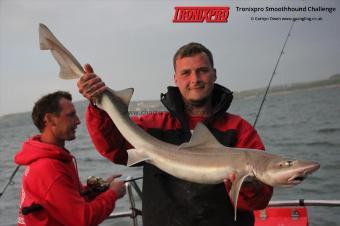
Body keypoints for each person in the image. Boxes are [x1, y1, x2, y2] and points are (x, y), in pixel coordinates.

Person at [77, 42, 273, 226]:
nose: (195, 80)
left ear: (214, 74)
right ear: (176, 79)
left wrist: (250, 187)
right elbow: (114, 149)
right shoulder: (154, 125)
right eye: (186, 73)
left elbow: (258, 201)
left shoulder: (239, 130)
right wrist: (97, 105)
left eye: (202, 71)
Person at [14, 91, 126, 226]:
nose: (78, 121)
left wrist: (97, 190)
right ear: (49, 119)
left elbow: (65, 198)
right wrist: (113, 194)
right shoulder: (48, 167)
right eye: (71, 115)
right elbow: (83, 219)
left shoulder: (55, 158)